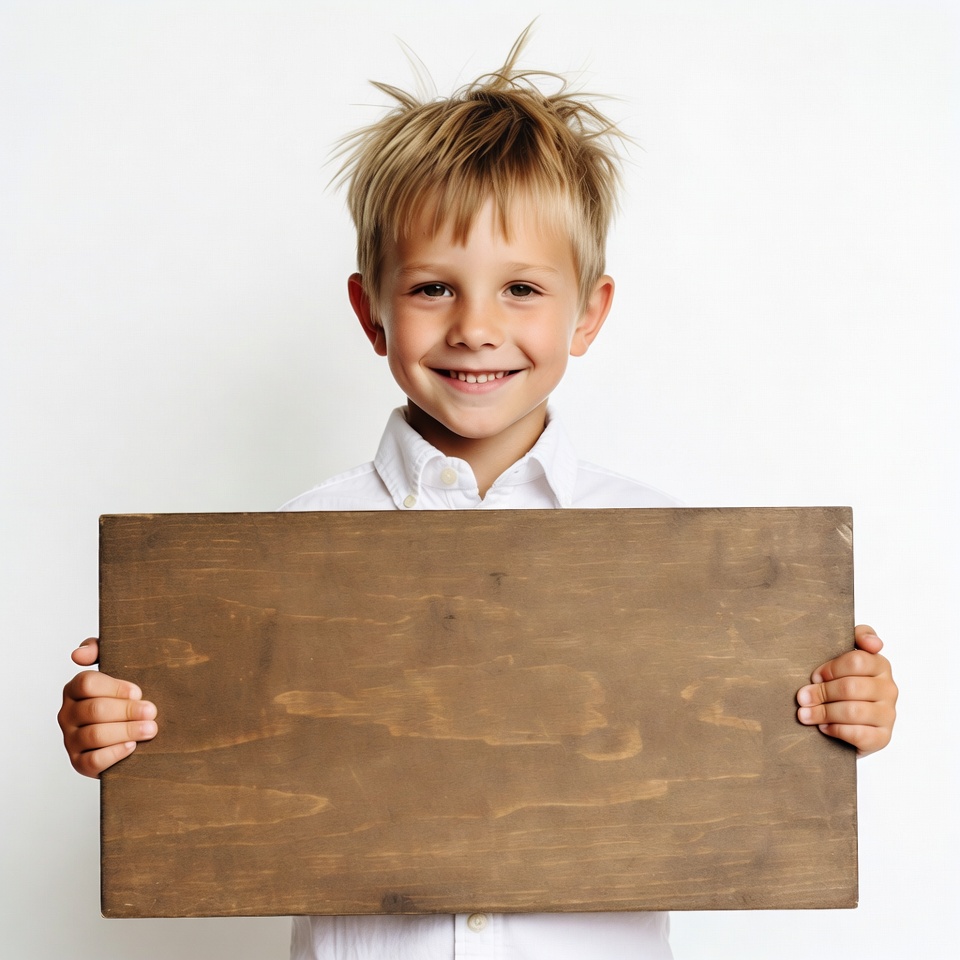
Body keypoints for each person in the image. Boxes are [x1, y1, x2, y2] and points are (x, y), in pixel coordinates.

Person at [58, 27, 898, 960]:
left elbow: (770, 750)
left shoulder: (679, 560)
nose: (476, 327)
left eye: (523, 288)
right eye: (431, 288)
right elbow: (182, 764)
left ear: (589, 314)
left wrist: (844, 709)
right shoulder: (281, 554)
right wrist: (120, 724)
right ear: (370, 311)